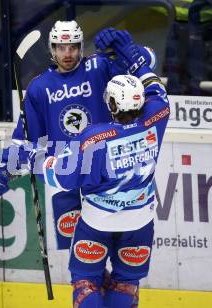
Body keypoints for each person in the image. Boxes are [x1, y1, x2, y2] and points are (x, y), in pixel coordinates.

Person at [0, 20, 156, 251]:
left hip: (106, 176)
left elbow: (148, 61)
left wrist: (122, 45)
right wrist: (1, 166)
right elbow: (25, 140)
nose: (67, 53)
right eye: (61, 47)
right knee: (81, 255)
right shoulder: (39, 88)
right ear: (52, 49)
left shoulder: (100, 67)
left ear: (81, 47)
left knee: (118, 250)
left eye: (73, 47)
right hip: (65, 177)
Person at [27, 50, 169, 307]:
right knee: (126, 283)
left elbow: (64, 179)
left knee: (86, 282)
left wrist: (35, 160)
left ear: (112, 105)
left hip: (97, 223)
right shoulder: (156, 119)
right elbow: (157, 90)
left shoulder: (94, 137)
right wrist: (138, 61)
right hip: (140, 224)